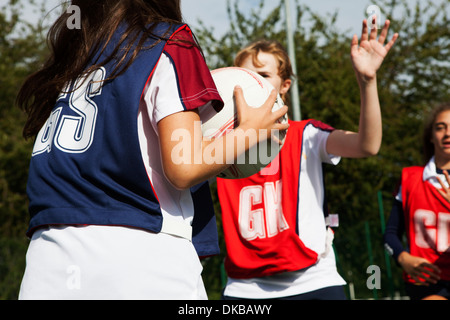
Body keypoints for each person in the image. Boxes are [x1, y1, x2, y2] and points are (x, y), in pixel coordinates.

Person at [15, 0, 288, 300]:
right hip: (138, 255)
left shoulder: (77, 56)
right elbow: (184, 166)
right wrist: (249, 133)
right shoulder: (167, 40)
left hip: (47, 261)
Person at [217, 19, 398, 300]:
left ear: (285, 85)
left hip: (314, 282)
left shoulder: (307, 136)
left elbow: (367, 145)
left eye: (263, 75)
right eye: (244, 75)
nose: (252, 82)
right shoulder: (218, 142)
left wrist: (368, 81)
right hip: (246, 289)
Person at [384, 103, 450, 300]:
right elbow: (391, 234)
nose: (447, 133)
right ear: (431, 136)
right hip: (427, 281)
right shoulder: (410, 179)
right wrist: (403, 258)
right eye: (440, 127)